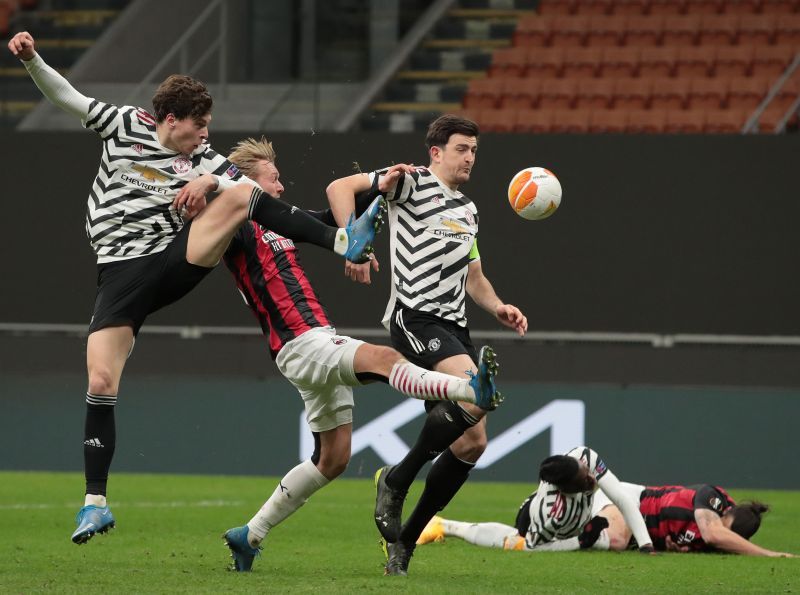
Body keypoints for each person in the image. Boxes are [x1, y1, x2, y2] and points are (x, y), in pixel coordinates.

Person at [7, 31, 385, 545]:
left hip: (167, 264)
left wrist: (209, 180)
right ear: (169, 120)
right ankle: (95, 504)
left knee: (239, 193)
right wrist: (32, 60)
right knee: (99, 380)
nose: (205, 134)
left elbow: (243, 190)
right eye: (199, 125)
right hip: (118, 278)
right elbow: (65, 95)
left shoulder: (203, 157)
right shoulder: (122, 126)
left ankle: (340, 240)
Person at [215, 137, 502, 572]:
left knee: (333, 459)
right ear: (247, 184)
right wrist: (207, 185)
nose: (281, 185)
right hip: (300, 343)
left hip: (312, 341)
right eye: (273, 179)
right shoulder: (234, 226)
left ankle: (250, 535)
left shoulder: (281, 223)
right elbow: (208, 211)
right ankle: (468, 388)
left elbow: (335, 218)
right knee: (385, 360)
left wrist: (380, 184)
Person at [326, 114, 527, 575]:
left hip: (456, 328)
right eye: (461, 148)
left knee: (472, 443)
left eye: (474, 150)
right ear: (435, 152)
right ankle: (396, 479)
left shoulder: (469, 210)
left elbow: (474, 276)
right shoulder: (410, 184)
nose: (470, 157)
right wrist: (351, 239)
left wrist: (497, 306)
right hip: (414, 317)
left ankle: (405, 544)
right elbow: (339, 187)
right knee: (477, 393)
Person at [417, 452, 795, 558]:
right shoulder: (711, 498)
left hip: (598, 515)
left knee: (527, 544)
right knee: (607, 540)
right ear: (727, 511)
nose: (723, 538)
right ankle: (444, 525)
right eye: (731, 532)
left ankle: (443, 525)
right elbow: (713, 533)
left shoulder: (586, 474)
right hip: (633, 503)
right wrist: (769, 555)